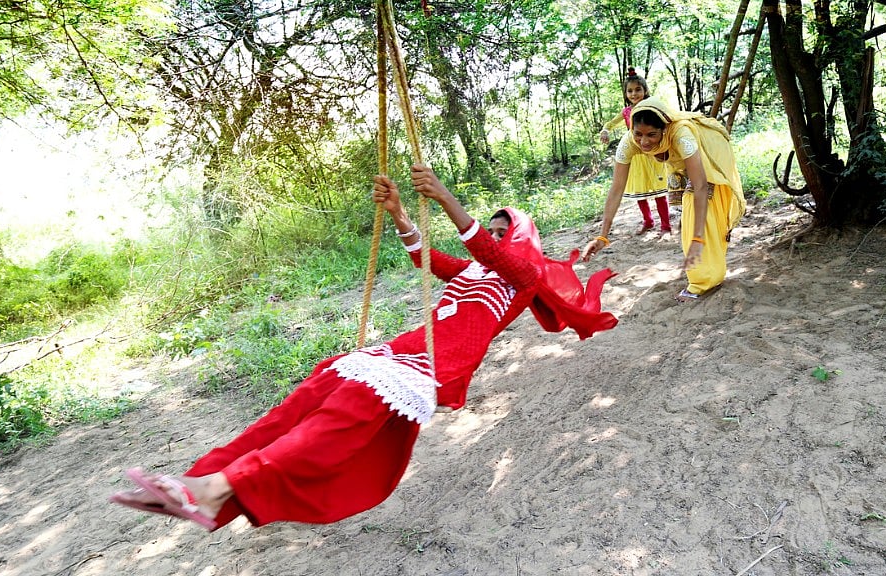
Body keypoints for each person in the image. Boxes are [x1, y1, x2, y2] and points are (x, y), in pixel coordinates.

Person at [108, 164, 619, 531]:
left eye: (505, 230)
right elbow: (425, 258)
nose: (494, 234)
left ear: (522, 239)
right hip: (404, 349)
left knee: (339, 421)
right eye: (493, 227)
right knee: (308, 398)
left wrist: (445, 198)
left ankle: (218, 489)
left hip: (438, 362)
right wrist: (399, 213)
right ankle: (197, 480)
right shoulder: (473, 269)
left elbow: (482, 249)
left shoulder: (522, 277)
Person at [583, 97, 745, 302]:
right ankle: (710, 270)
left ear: (665, 130)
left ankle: (702, 282)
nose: (644, 141)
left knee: (696, 214)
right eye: (638, 134)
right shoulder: (628, 142)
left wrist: (697, 238)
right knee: (692, 212)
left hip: (709, 153)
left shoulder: (681, 135)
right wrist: (602, 236)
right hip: (681, 164)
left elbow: (701, 185)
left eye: (652, 134)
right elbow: (616, 189)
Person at [598, 67, 677, 235]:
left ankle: (665, 225)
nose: (634, 94)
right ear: (626, 93)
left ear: (645, 90)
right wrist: (605, 131)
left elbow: (668, 119)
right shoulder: (626, 111)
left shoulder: (652, 107)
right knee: (640, 191)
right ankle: (648, 221)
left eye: (638, 90)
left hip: (654, 153)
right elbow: (610, 124)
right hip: (635, 155)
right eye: (630, 91)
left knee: (659, 189)